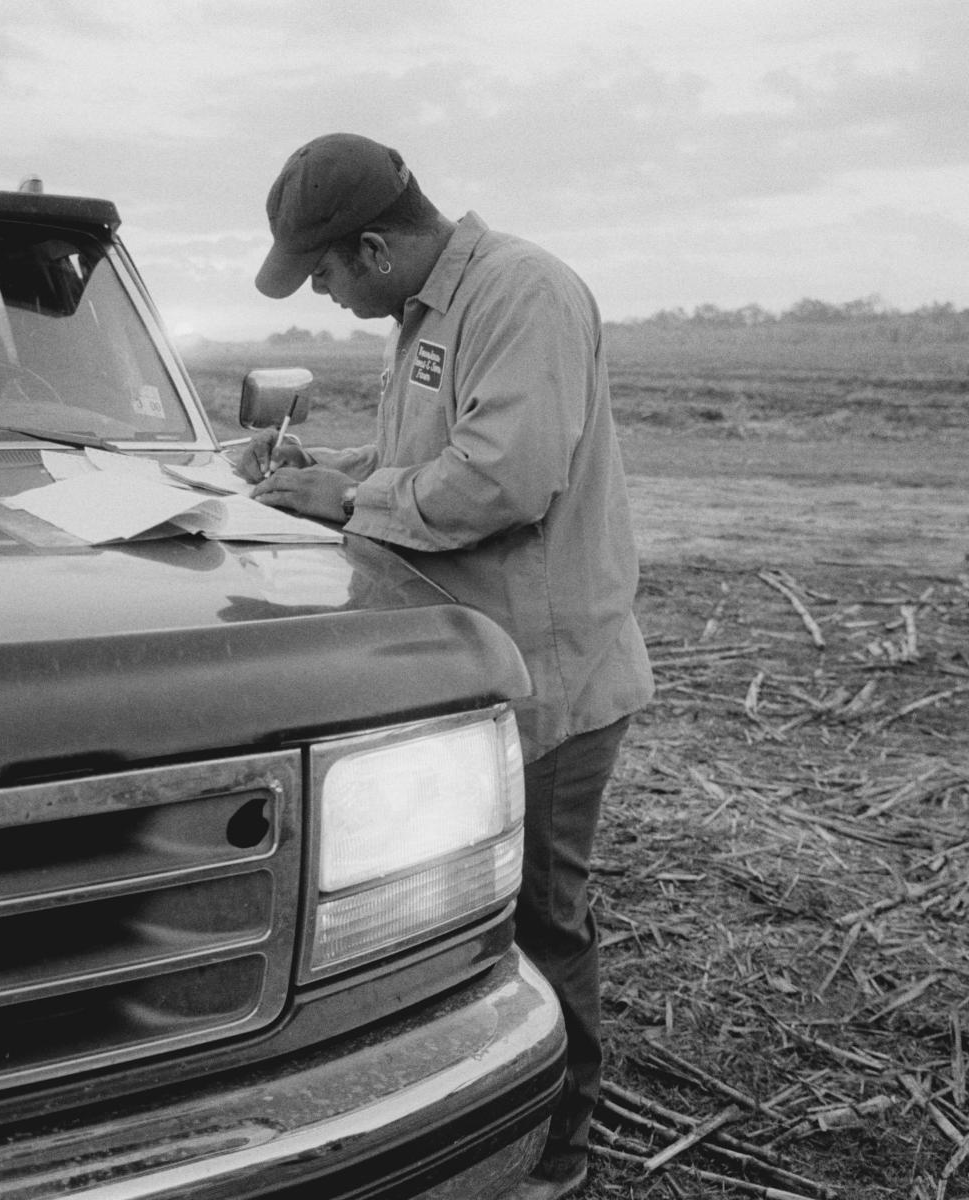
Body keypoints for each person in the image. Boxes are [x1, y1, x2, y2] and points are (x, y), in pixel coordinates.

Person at [237, 132, 654, 1200]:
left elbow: (501, 479)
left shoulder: (523, 294)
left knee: (538, 921)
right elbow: (416, 454)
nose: (323, 294)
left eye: (324, 272)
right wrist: (318, 472)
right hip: (469, 678)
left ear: (373, 247)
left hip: (544, 682)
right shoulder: (426, 313)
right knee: (453, 915)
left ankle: (556, 1153)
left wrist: (352, 504)